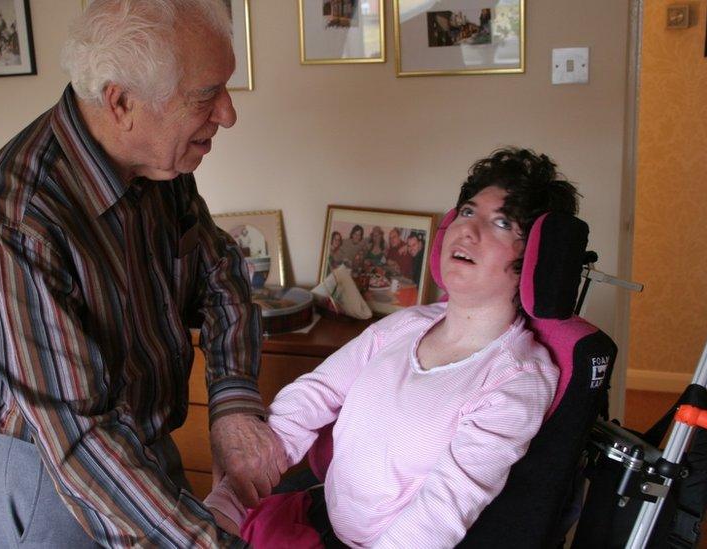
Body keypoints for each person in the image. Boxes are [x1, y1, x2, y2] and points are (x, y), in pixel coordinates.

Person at [0, 1, 286, 546]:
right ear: (123, 102)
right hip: (54, 471)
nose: (228, 114)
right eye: (207, 95)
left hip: (142, 444)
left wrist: (232, 405)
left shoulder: (159, 161)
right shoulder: (14, 218)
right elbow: (79, 438)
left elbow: (219, 272)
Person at [205, 147, 581, 547]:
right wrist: (231, 496)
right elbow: (315, 394)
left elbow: (442, 511)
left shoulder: (517, 379)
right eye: (468, 212)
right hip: (320, 521)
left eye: (502, 223)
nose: (468, 231)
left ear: (537, 257)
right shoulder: (407, 324)